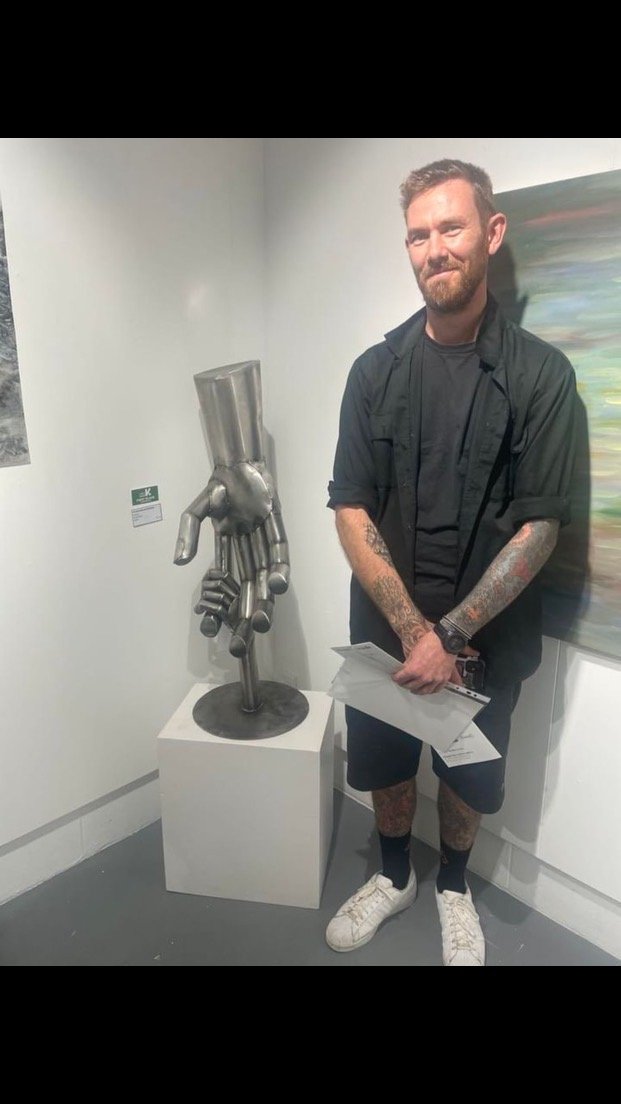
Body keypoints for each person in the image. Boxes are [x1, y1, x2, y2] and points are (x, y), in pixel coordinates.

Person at [326, 159, 577, 966]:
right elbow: (349, 507)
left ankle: (454, 888)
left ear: (491, 233)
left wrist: (450, 635)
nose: (433, 248)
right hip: (386, 631)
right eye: (417, 235)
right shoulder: (373, 373)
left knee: (468, 779)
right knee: (384, 763)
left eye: (450, 227)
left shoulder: (541, 377)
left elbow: (539, 528)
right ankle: (394, 873)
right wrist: (412, 631)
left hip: (485, 643)